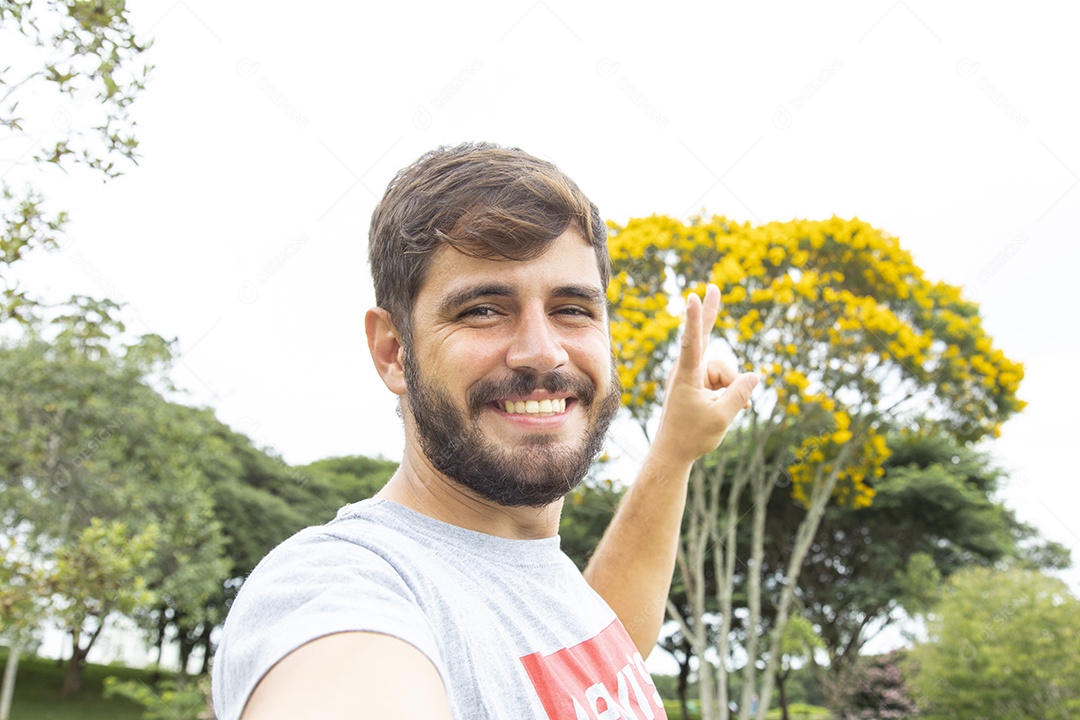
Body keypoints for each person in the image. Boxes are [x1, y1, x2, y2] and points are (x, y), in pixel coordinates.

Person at [211, 142, 758, 719]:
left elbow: (599, 648)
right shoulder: (339, 590)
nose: (541, 353)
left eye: (572, 308)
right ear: (395, 351)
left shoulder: (535, 579)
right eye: (483, 309)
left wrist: (674, 453)